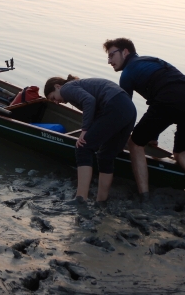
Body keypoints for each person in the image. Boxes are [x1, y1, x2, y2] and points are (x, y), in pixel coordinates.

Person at [103, 38, 185, 205]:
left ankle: (144, 195)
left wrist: (116, 136)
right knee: (181, 150)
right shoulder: (151, 60)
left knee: (135, 142)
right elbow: (158, 100)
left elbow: (125, 111)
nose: (109, 61)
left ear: (125, 52)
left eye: (111, 55)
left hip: (169, 96)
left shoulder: (127, 73)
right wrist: (153, 135)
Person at [44, 75, 136, 205]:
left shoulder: (66, 88)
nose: (56, 102)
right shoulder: (78, 86)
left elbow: (89, 101)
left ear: (57, 87)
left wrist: (85, 130)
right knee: (105, 156)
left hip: (115, 105)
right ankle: (101, 201)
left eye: (53, 98)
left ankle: (80, 198)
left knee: (82, 147)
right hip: (129, 109)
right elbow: (96, 112)